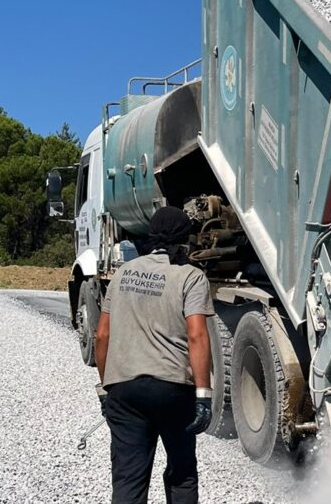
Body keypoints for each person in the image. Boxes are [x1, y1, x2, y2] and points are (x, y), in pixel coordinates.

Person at [95, 206, 215, 504]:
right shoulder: (191, 276)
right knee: (182, 472)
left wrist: (106, 388)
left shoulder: (123, 273)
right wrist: (203, 396)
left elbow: (102, 335)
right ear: (185, 239)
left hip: (125, 390)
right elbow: (197, 335)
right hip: (173, 390)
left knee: (129, 477)